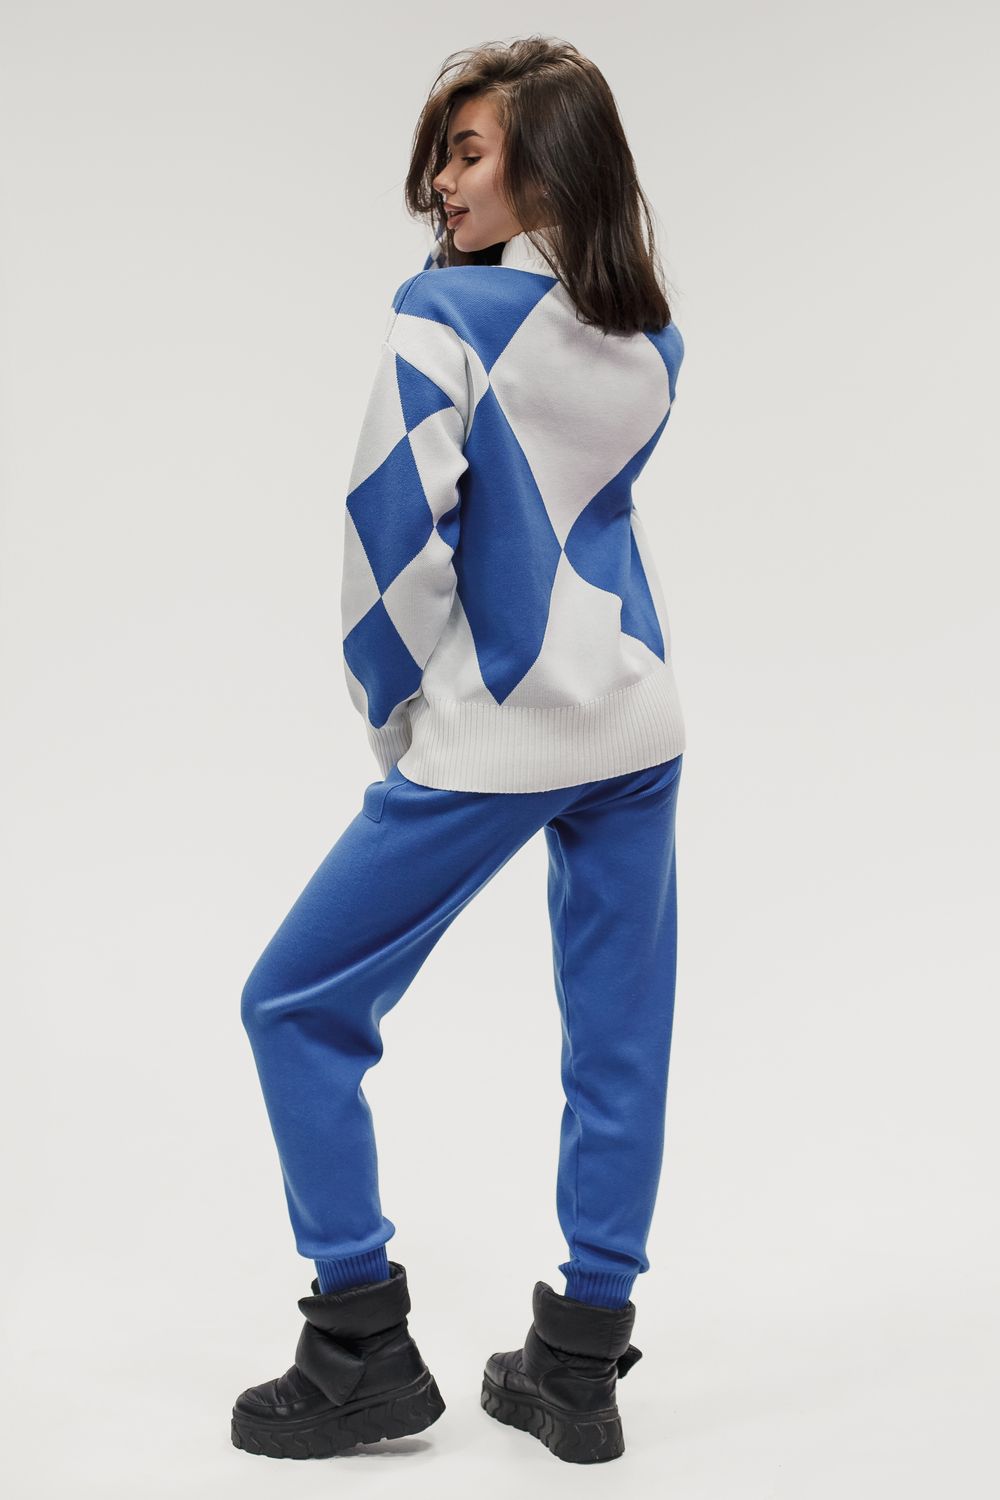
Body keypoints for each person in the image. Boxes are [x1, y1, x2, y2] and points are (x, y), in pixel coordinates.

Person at [232, 35, 687, 1467]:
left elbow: (390, 537)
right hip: (639, 719)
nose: (442, 179)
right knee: (618, 1039)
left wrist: (395, 723)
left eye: (470, 152)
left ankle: (358, 1341)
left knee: (294, 1003)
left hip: (497, 732)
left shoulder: (442, 315)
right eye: (443, 151)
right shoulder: (653, 338)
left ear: (547, 169)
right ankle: (579, 1366)